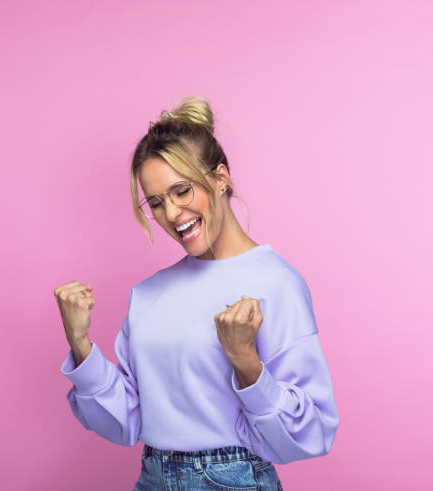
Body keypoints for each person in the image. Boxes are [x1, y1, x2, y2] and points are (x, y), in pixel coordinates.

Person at [54, 96, 339, 490]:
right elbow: (127, 422)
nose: (171, 214)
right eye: (156, 202)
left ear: (220, 178)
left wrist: (246, 362)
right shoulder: (149, 294)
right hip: (153, 476)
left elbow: (313, 432)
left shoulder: (277, 282)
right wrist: (81, 345)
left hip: (232, 479)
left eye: (182, 191)